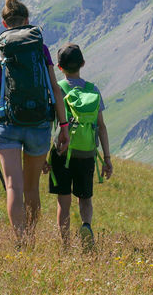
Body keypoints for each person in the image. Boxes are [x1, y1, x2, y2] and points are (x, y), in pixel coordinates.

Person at [0, 0, 69, 248]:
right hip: (39, 123)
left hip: (6, 124)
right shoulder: (41, 47)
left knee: (13, 187)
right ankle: (31, 236)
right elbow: (55, 88)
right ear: (28, 19)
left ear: (4, 23)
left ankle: (21, 241)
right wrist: (63, 127)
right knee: (31, 189)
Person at [45, 43, 112, 250]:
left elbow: (49, 125)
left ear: (59, 66)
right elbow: (101, 126)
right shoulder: (93, 90)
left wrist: (43, 157)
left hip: (62, 152)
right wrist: (107, 158)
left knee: (63, 201)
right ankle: (86, 225)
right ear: (82, 64)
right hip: (87, 152)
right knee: (85, 197)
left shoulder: (57, 89)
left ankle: (65, 245)